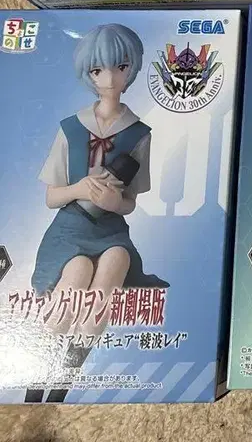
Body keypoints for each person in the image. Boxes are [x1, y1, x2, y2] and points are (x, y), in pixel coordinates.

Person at [28, 23, 166, 403]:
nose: (109, 78)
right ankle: (36, 384)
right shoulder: (70, 129)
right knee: (75, 276)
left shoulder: (139, 133)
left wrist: (113, 203)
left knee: (114, 268)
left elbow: (131, 201)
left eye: (120, 67)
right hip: (70, 227)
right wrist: (80, 189)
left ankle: (61, 387)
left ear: (130, 69)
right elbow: (52, 197)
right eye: (97, 70)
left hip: (112, 230)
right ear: (88, 73)